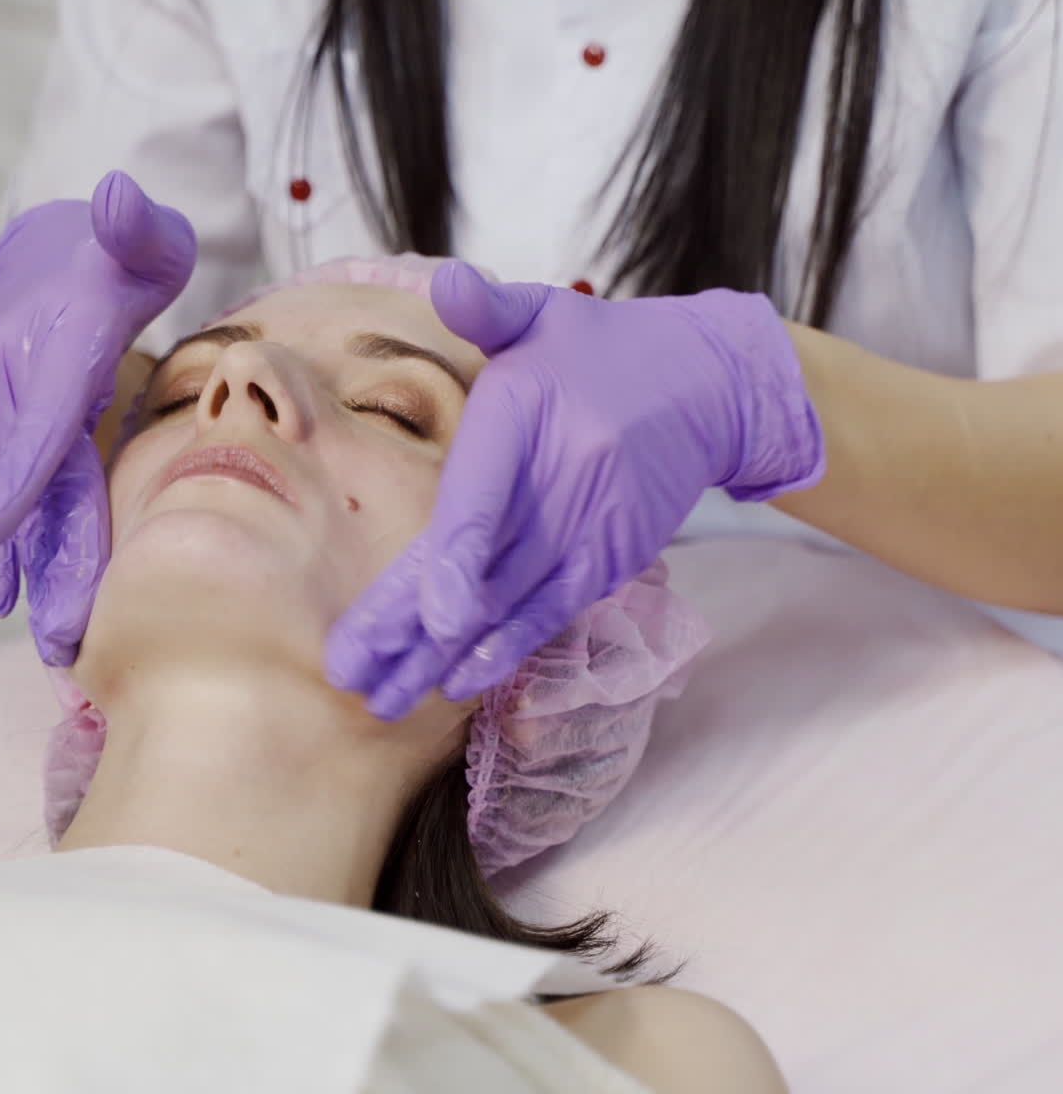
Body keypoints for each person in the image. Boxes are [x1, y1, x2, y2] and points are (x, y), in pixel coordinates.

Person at [0, 0, 1063, 718]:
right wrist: (78, 381)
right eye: (191, 392)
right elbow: (115, 337)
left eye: (399, 408)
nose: (236, 396)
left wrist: (765, 394)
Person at [41, 253, 784, 1092]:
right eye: (178, 394)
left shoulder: (623, 1061)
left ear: (531, 663)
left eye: (391, 411)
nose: (242, 375)